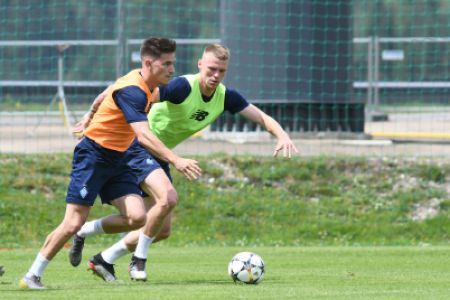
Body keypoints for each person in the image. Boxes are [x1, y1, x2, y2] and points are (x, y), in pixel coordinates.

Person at [70, 43, 297, 282]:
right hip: (136, 147)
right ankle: (138, 260)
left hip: (160, 154)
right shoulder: (181, 87)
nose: (216, 75)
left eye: (222, 71)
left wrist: (281, 134)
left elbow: (261, 117)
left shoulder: (225, 96)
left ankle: (99, 253)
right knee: (168, 198)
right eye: (211, 69)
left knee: (162, 229)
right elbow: (127, 90)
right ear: (200, 64)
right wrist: (91, 114)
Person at [19, 37, 200, 289]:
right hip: (93, 156)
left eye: (173, 63)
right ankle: (32, 275)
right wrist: (175, 159)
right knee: (72, 221)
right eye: (167, 64)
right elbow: (144, 135)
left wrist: (90, 115)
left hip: (119, 158)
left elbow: (105, 93)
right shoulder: (132, 90)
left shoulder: (144, 85)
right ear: (148, 62)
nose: (172, 69)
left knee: (137, 218)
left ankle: (85, 232)